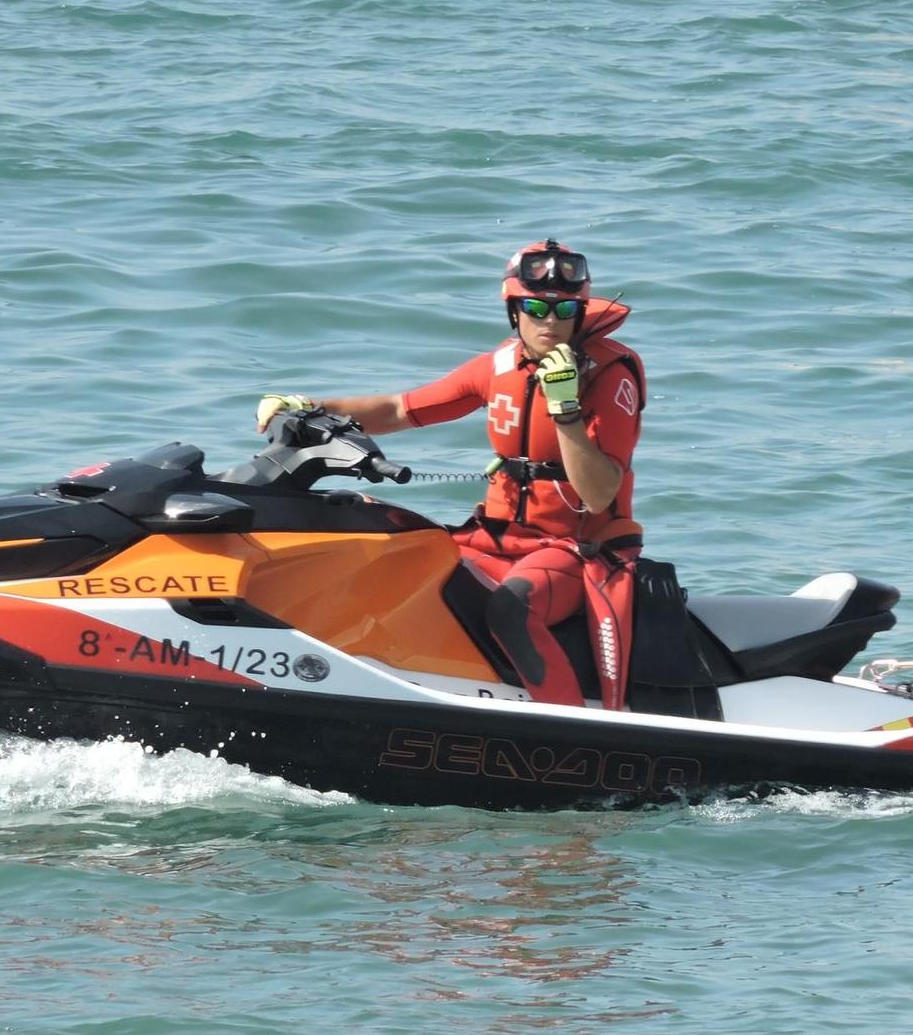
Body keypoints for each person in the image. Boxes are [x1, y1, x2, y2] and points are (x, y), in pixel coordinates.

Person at [255, 238, 646, 708]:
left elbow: (601, 494)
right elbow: (400, 409)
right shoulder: (500, 366)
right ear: (513, 309)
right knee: (380, 555)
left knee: (512, 608)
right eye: (535, 306)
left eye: (565, 308)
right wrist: (307, 406)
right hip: (496, 537)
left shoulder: (609, 377)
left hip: (577, 551)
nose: (550, 320)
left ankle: (572, 728)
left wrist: (565, 408)